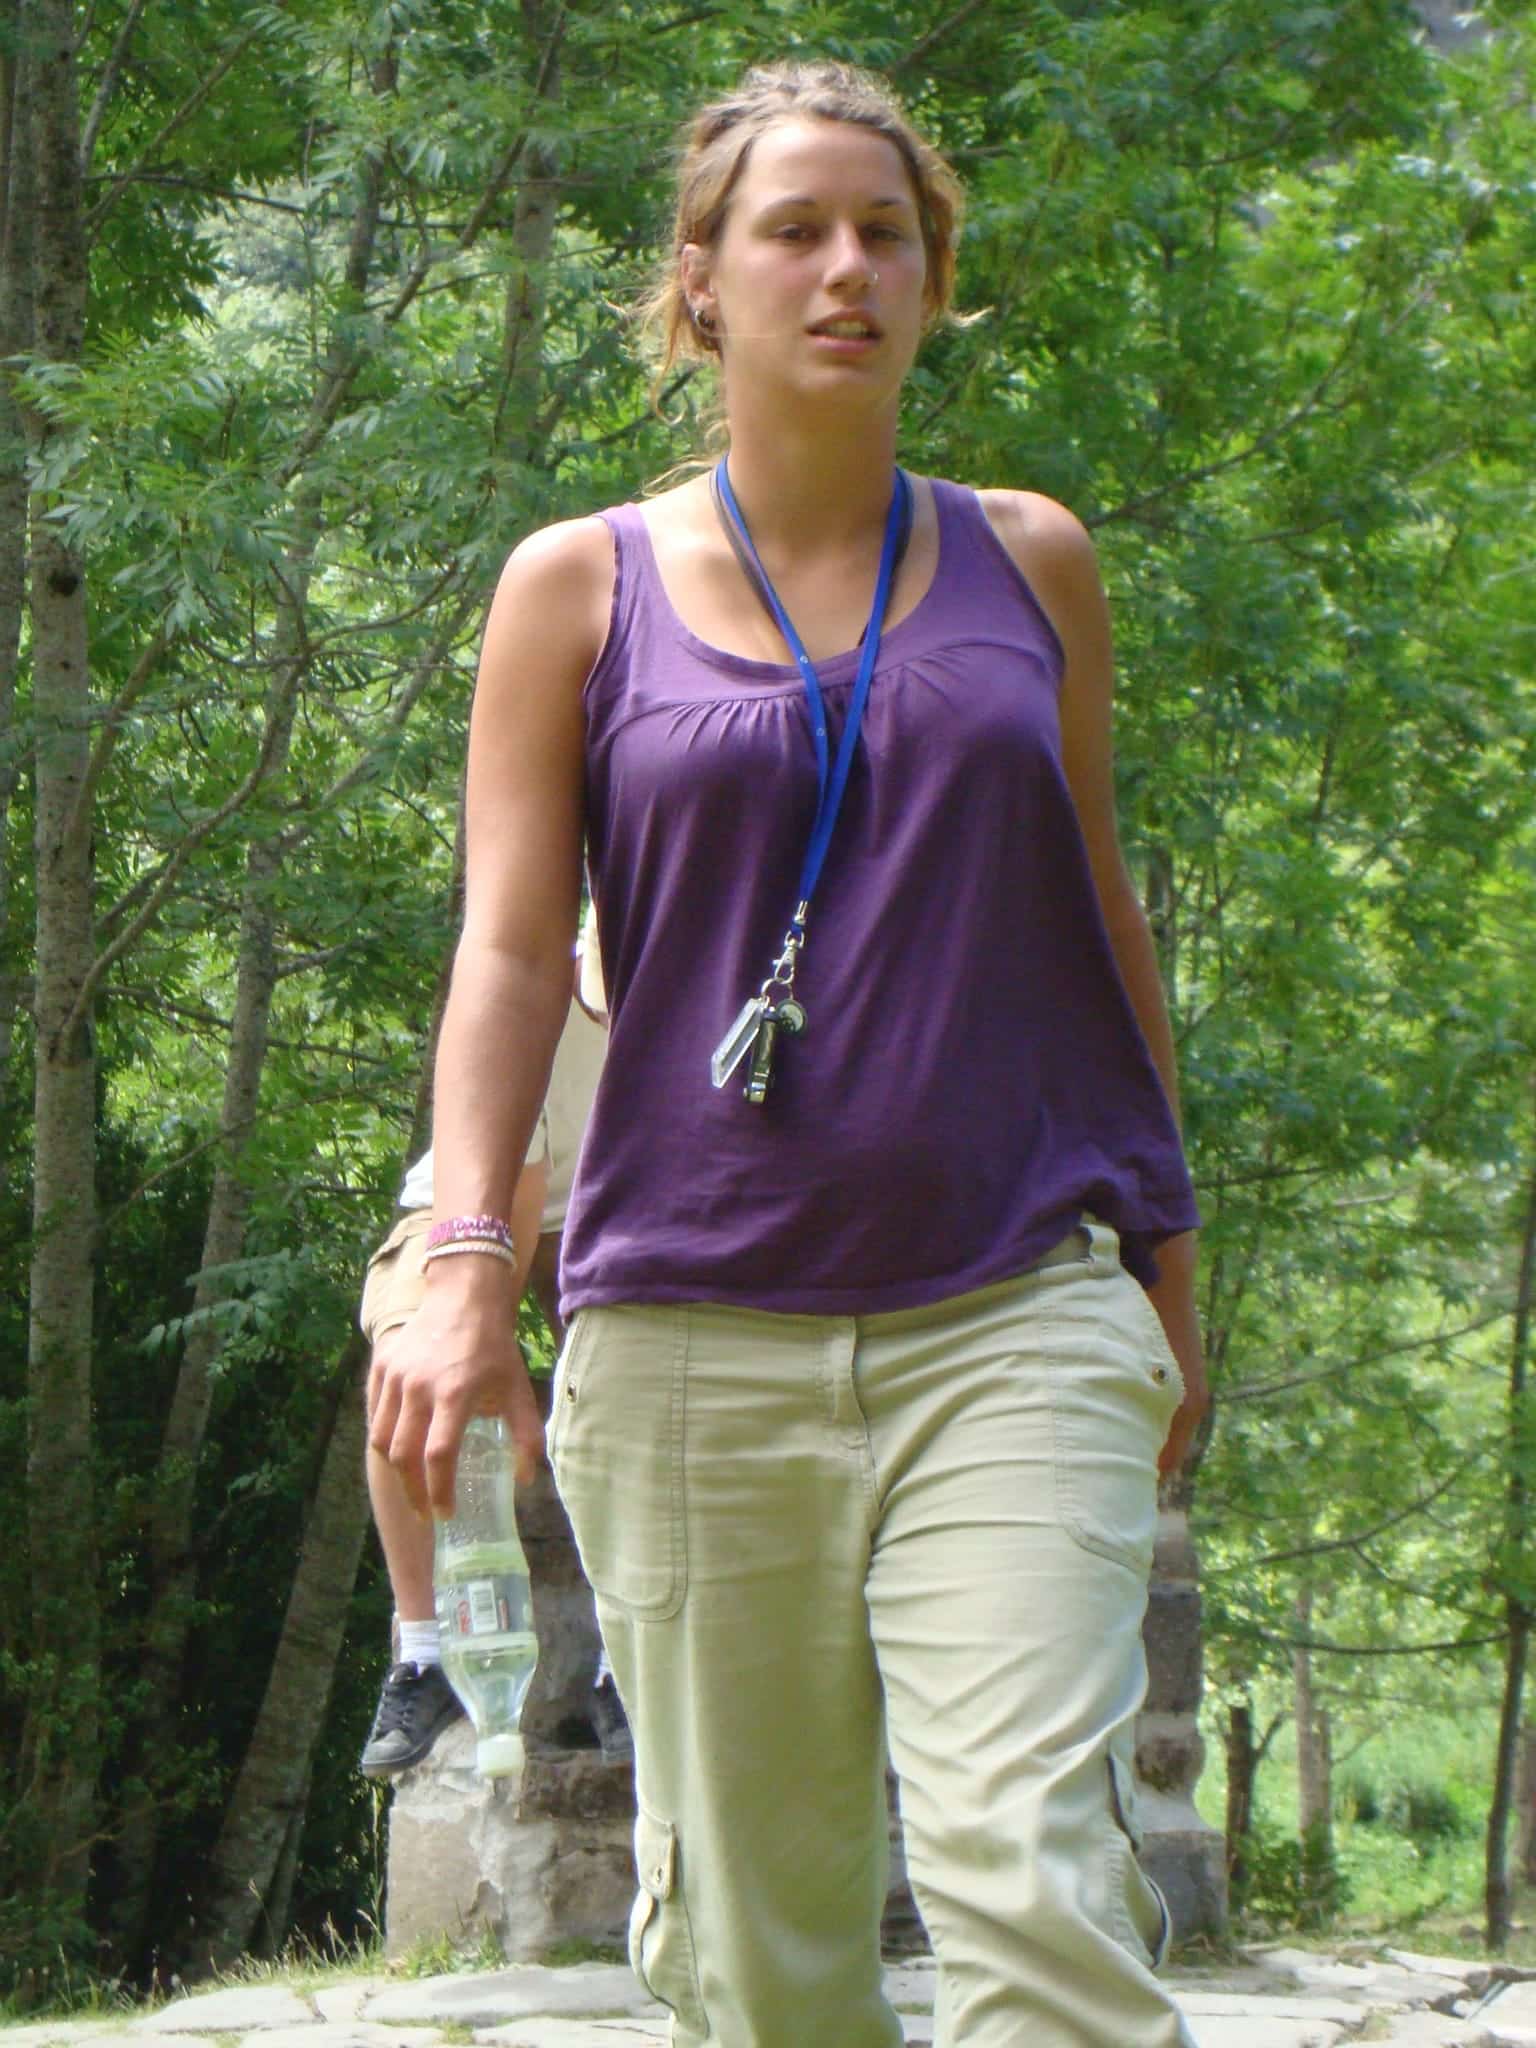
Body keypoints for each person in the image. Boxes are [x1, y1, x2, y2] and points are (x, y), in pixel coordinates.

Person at [370, 57, 1208, 2048]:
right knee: (761, 1951)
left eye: (887, 234)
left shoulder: (1031, 560)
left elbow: (1100, 914)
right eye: (795, 230)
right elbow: (509, 947)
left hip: (1012, 1305)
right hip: (687, 1332)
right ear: (700, 278)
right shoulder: (577, 585)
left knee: (1033, 1873)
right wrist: (466, 1249)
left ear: (932, 281)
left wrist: (1171, 1253)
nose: (848, 269)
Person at [357, 932, 619, 1777]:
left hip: (615, 1210)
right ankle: (425, 1653)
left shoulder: (723, 979)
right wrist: (477, 1333)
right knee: (416, 1359)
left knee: (639, 1376)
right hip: (474, 1203)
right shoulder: (541, 981)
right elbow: (513, 1184)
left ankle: (626, 1662)